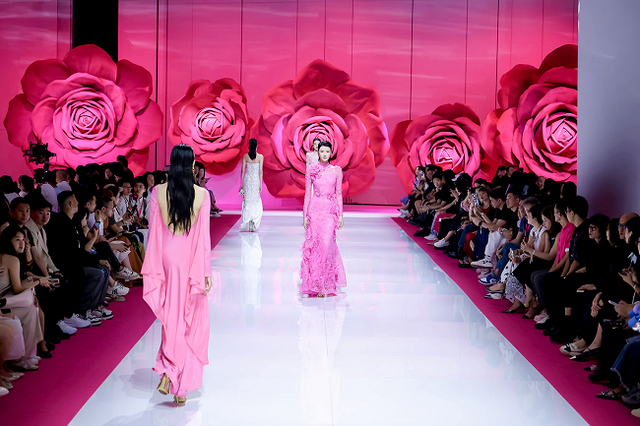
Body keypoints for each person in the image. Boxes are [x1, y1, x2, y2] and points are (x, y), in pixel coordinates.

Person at [142, 144, 212, 407]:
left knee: (171, 316)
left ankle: (168, 369)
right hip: (189, 260)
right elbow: (203, 238)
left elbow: (154, 231)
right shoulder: (201, 195)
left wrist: (154, 264)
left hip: (166, 257)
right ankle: (179, 384)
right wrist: (205, 271)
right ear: (192, 165)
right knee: (188, 319)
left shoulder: (158, 192)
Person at [300, 140, 346, 297]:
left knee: (327, 246)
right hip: (315, 211)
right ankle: (317, 284)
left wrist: (340, 215)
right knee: (316, 247)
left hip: (329, 212)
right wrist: (305, 215)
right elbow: (307, 193)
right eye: (322, 151)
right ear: (317, 152)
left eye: (327, 151)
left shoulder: (336, 170)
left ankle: (326, 283)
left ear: (331, 153)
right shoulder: (312, 169)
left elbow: (339, 193)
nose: (325, 154)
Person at [239, 138, 264, 232]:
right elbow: (260, 172)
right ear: (257, 146)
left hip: (248, 180)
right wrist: (260, 184)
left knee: (248, 201)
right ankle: (253, 221)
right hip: (255, 181)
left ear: (249, 146)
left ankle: (249, 222)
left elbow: (242, 171)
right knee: (255, 201)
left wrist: (241, 184)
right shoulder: (260, 157)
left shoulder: (245, 156)